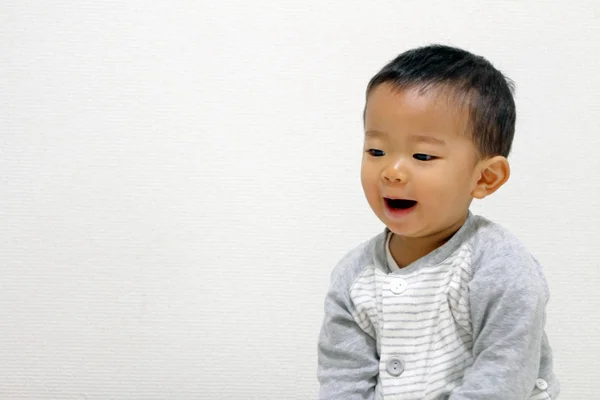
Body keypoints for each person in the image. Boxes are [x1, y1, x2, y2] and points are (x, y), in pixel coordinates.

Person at [316, 44, 559, 400]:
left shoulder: (500, 266)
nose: (392, 171)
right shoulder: (353, 277)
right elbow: (343, 380)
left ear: (485, 178)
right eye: (376, 151)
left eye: (423, 155)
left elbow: (502, 379)